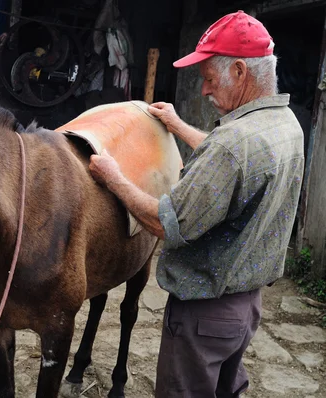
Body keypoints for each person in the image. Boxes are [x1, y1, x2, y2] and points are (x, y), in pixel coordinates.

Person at [89, 10, 304, 398]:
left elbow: (166, 222)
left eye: (208, 78)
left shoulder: (232, 144)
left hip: (204, 316)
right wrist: (178, 125)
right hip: (245, 308)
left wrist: (113, 176)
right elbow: (237, 168)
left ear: (240, 71)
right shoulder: (284, 124)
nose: (203, 90)